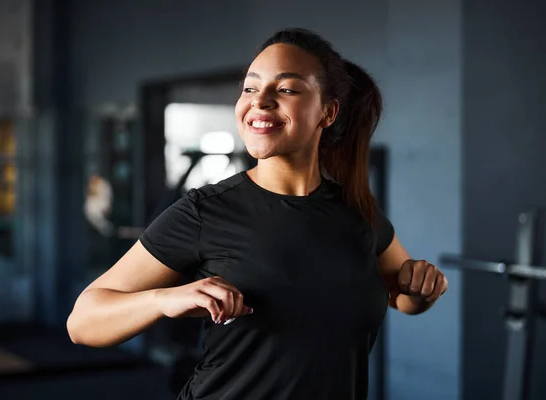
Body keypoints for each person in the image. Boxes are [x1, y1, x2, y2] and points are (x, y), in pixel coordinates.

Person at [67, 28, 448, 400]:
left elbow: (402, 296)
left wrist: (423, 288)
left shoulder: (357, 213)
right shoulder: (205, 211)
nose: (260, 101)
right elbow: (83, 322)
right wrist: (163, 300)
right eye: (250, 87)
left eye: (286, 89)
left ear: (327, 113)